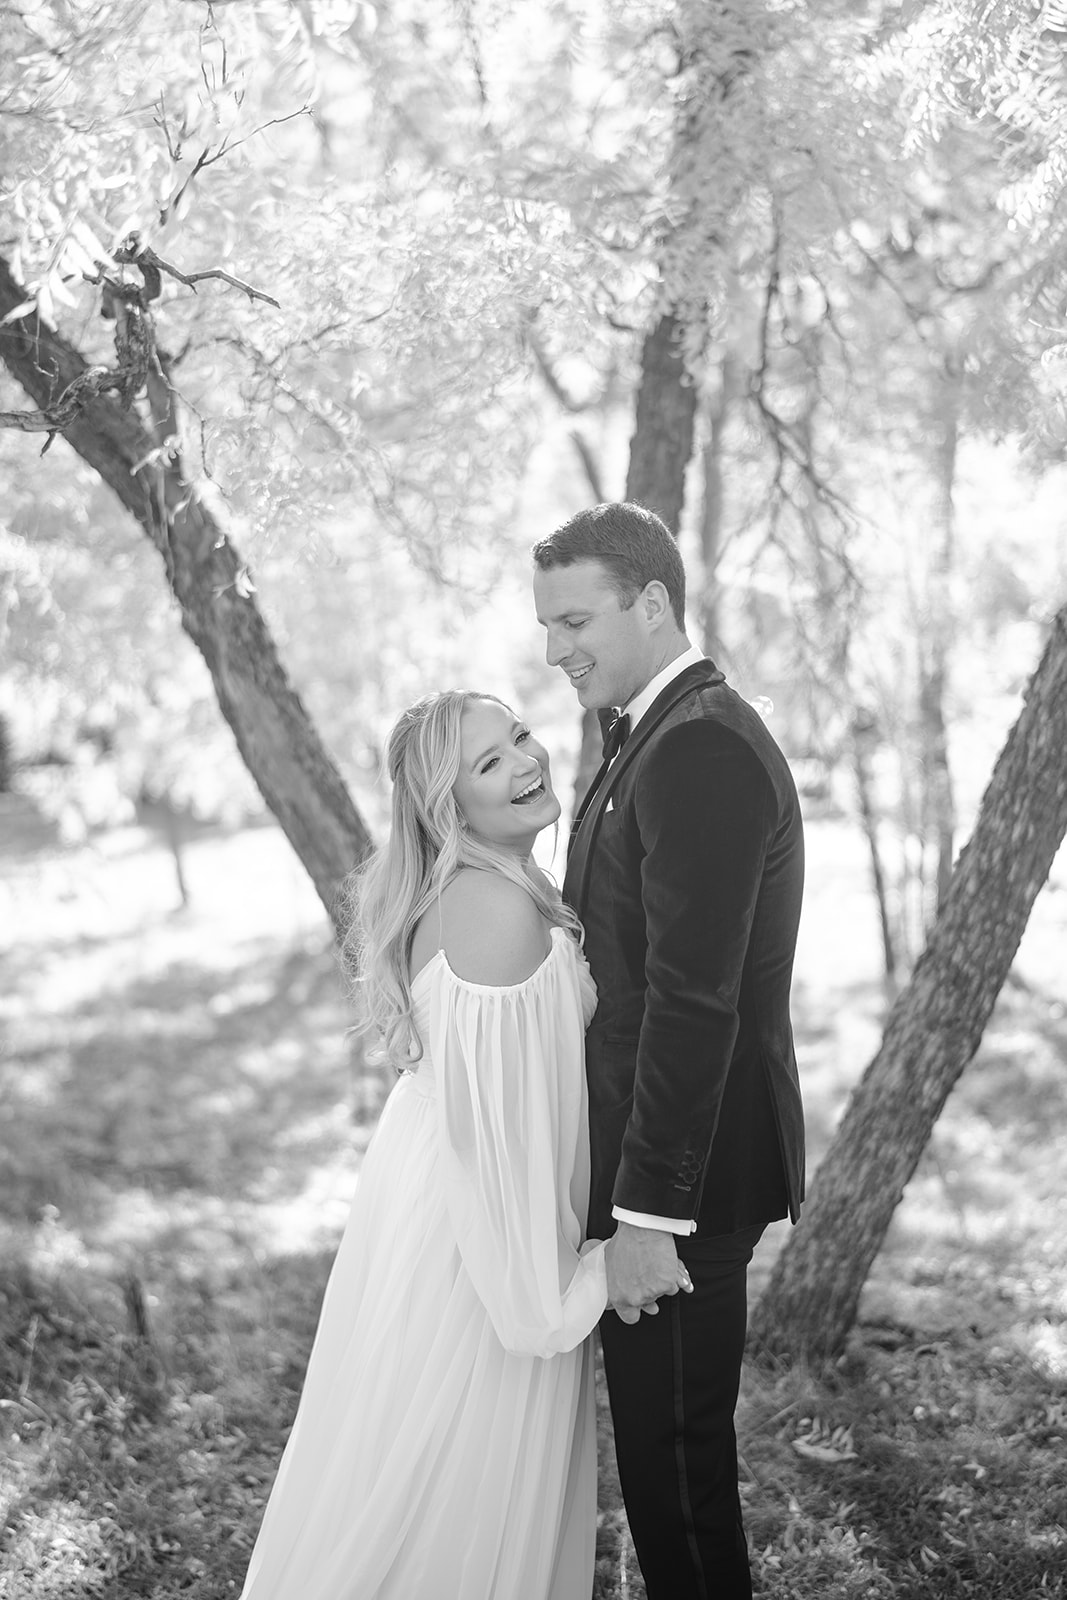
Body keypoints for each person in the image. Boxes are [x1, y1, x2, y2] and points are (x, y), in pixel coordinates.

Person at [237, 689, 690, 1600]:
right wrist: (572, 1287)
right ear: (451, 809)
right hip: (476, 1259)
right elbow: (502, 1147)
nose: (525, 762)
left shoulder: (502, 884)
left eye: (517, 736)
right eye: (489, 763)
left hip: (455, 1214)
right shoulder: (491, 912)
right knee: (444, 1500)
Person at [532, 502, 806, 1600]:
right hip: (652, 1170)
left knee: (677, 1484)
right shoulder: (647, 731)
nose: (557, 650)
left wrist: (647, 1215)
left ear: (651, 602)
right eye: (548, 627)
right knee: (657, 1475)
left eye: (575, 618)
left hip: (681, 1188)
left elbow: (695, 1002)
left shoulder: (696, 746)